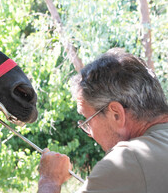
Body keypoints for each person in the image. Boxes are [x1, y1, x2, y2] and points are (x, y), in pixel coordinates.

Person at [38, 48, 168, 193]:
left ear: (116, 114)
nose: (89, 133)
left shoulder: (127, 160)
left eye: (88, 120)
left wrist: (49, 180)